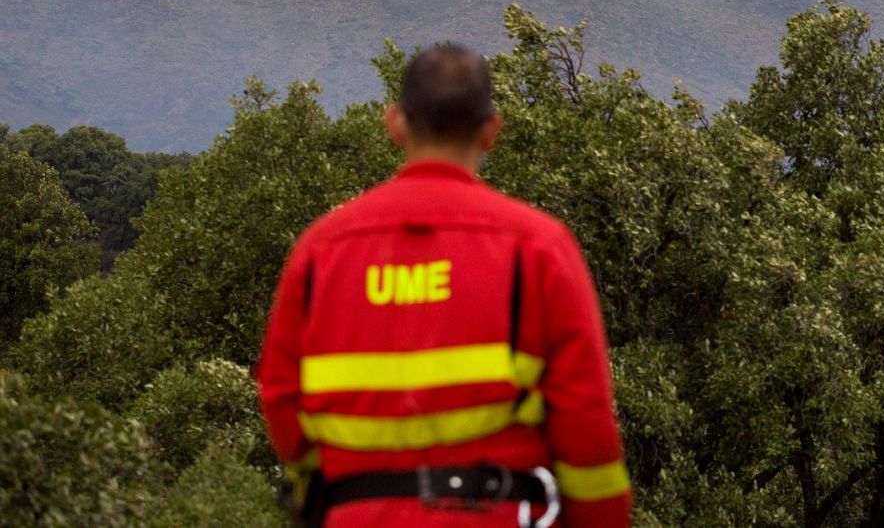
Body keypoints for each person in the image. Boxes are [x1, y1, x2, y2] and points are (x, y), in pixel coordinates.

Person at [258, 44, 631, 526]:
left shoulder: (321, 250)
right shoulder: (536, 247)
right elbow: (585, 418)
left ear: (394, 123)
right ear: (491, 129)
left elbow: (280, 394)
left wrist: (329, 490)